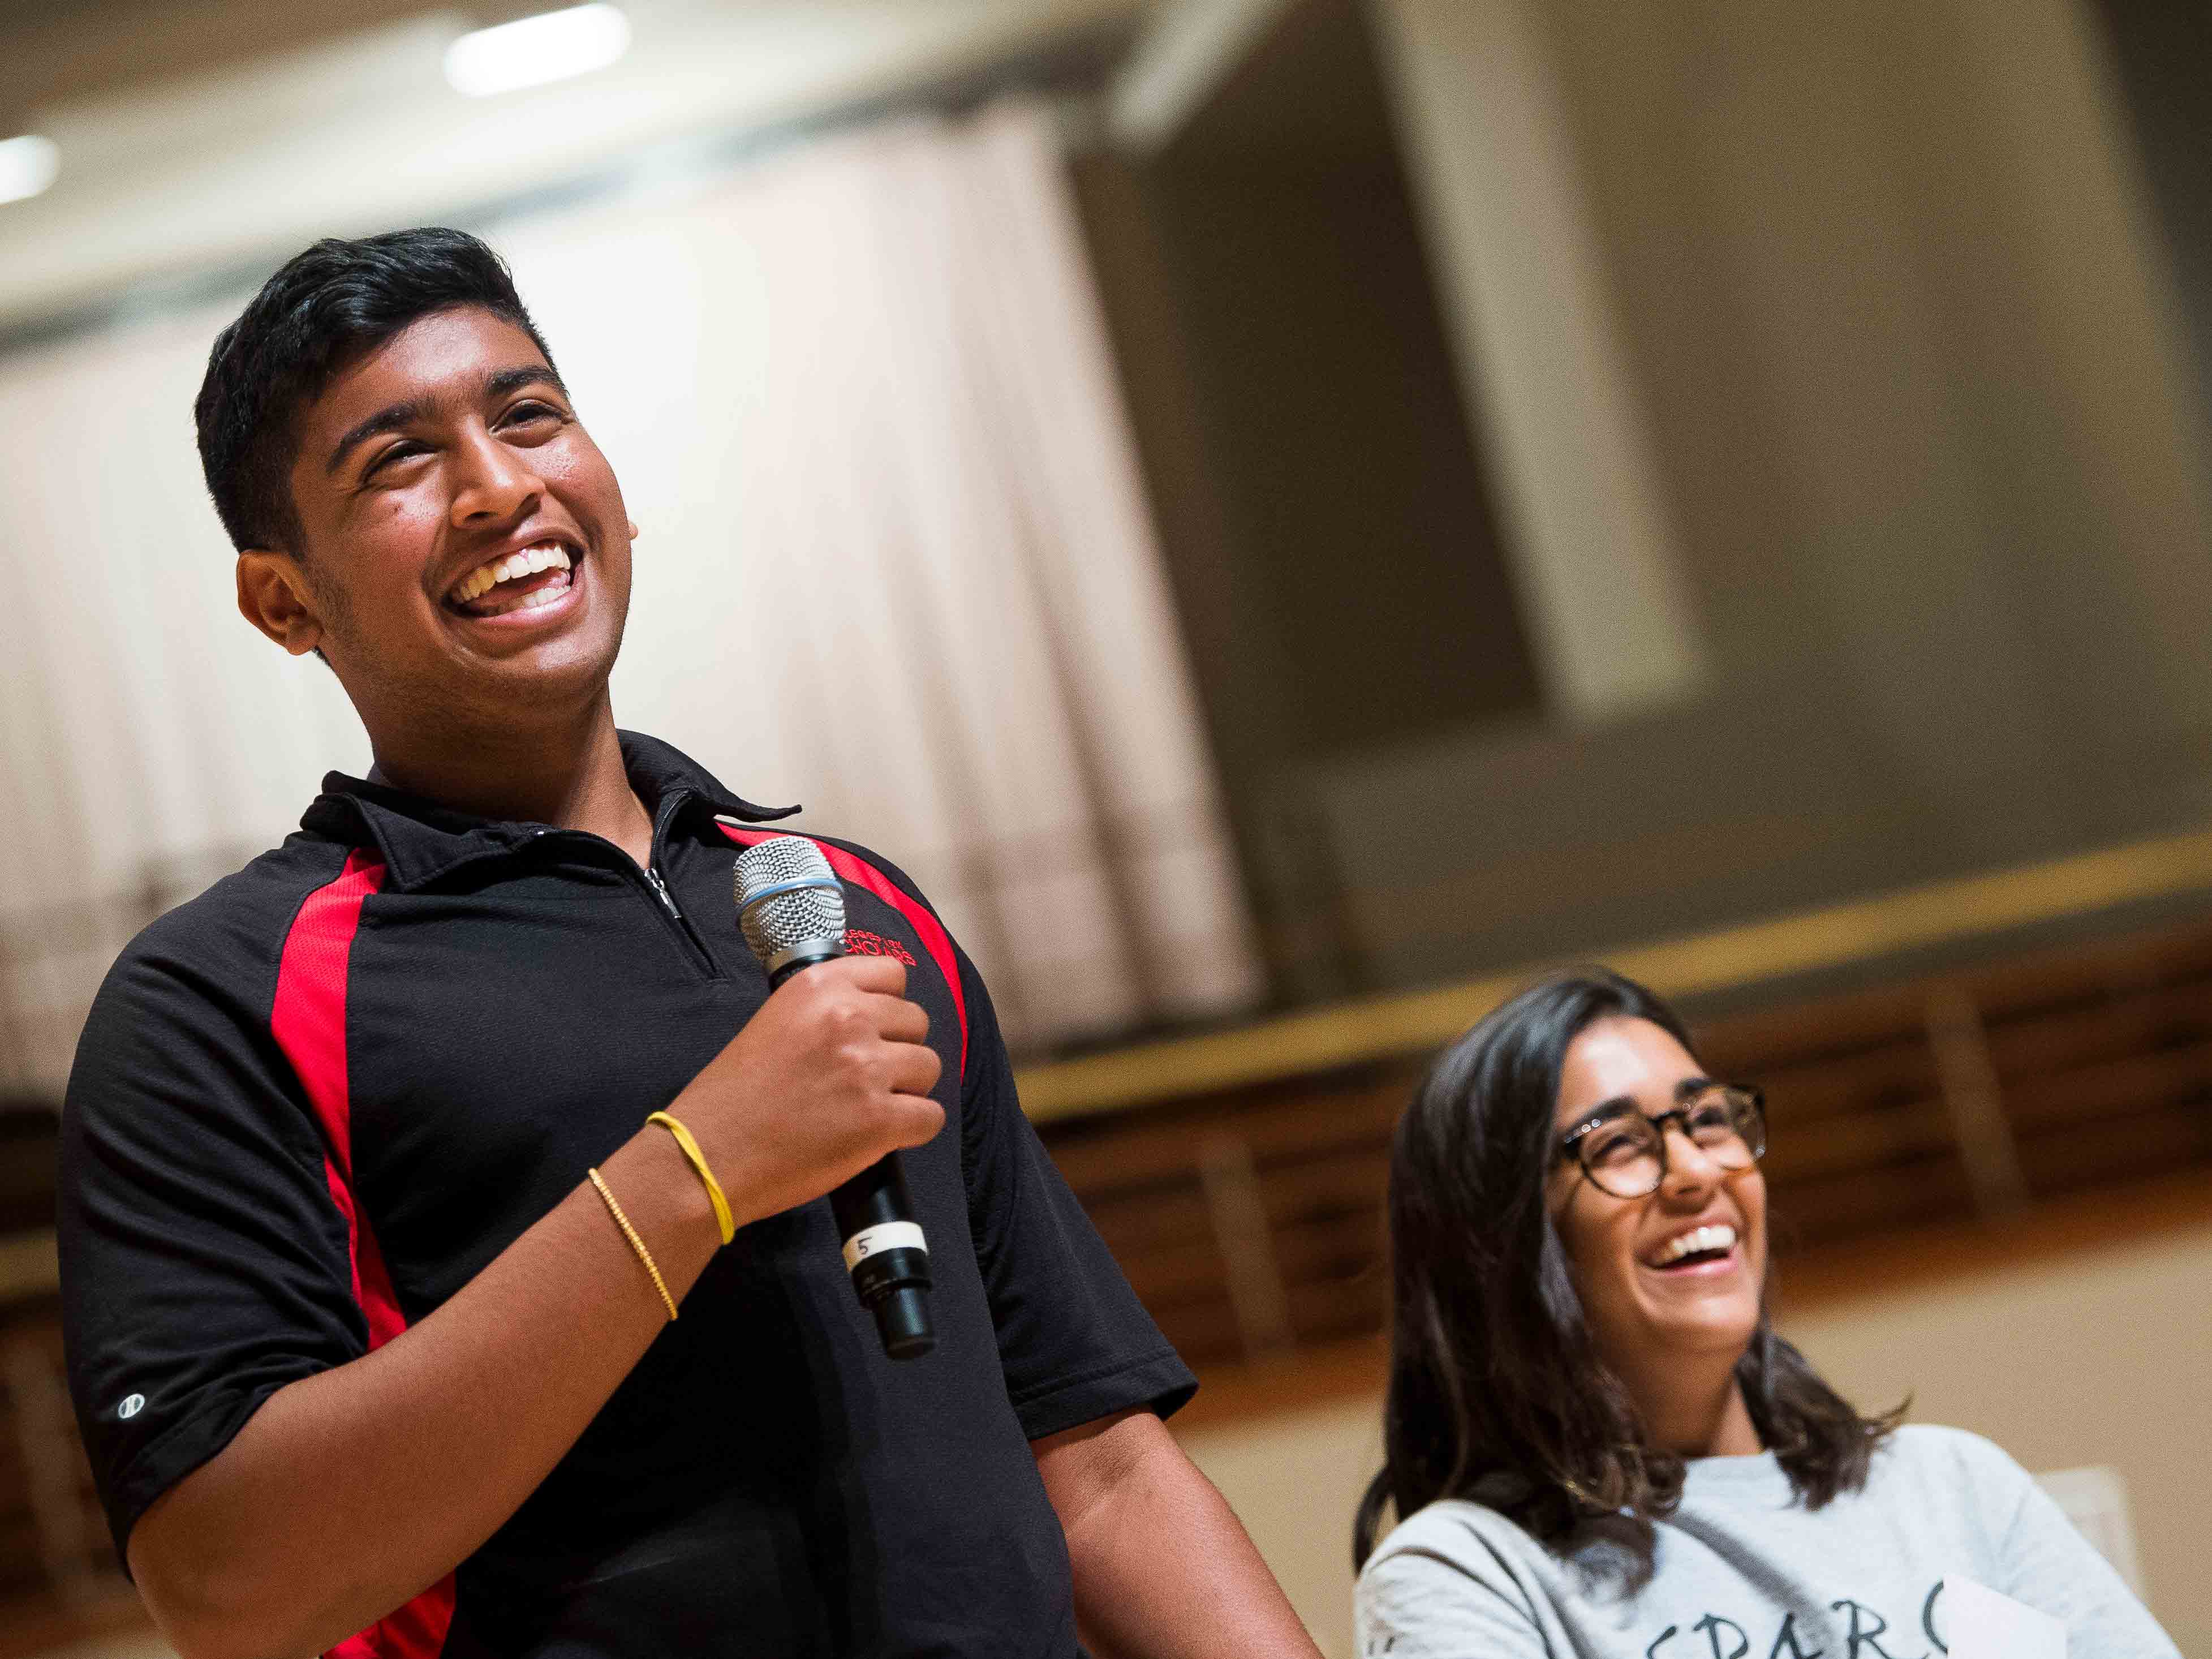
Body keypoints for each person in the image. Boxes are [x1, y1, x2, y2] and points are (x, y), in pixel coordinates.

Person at [58, 227, 1321, 1659]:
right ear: (284, 599)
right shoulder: (216, 999)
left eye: (527, 415)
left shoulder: (848, 903)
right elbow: (232, 1584)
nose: (498, 485)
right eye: (399, 461)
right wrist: (699, 1168)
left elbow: (1096, 1465)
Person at [1353, 969, 2178, 1658]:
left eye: (1706, 1119)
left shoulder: (1951, 1487)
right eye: (1616, 1144)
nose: (1692, 1171)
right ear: (1502, 1240)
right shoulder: (1468, 1572)